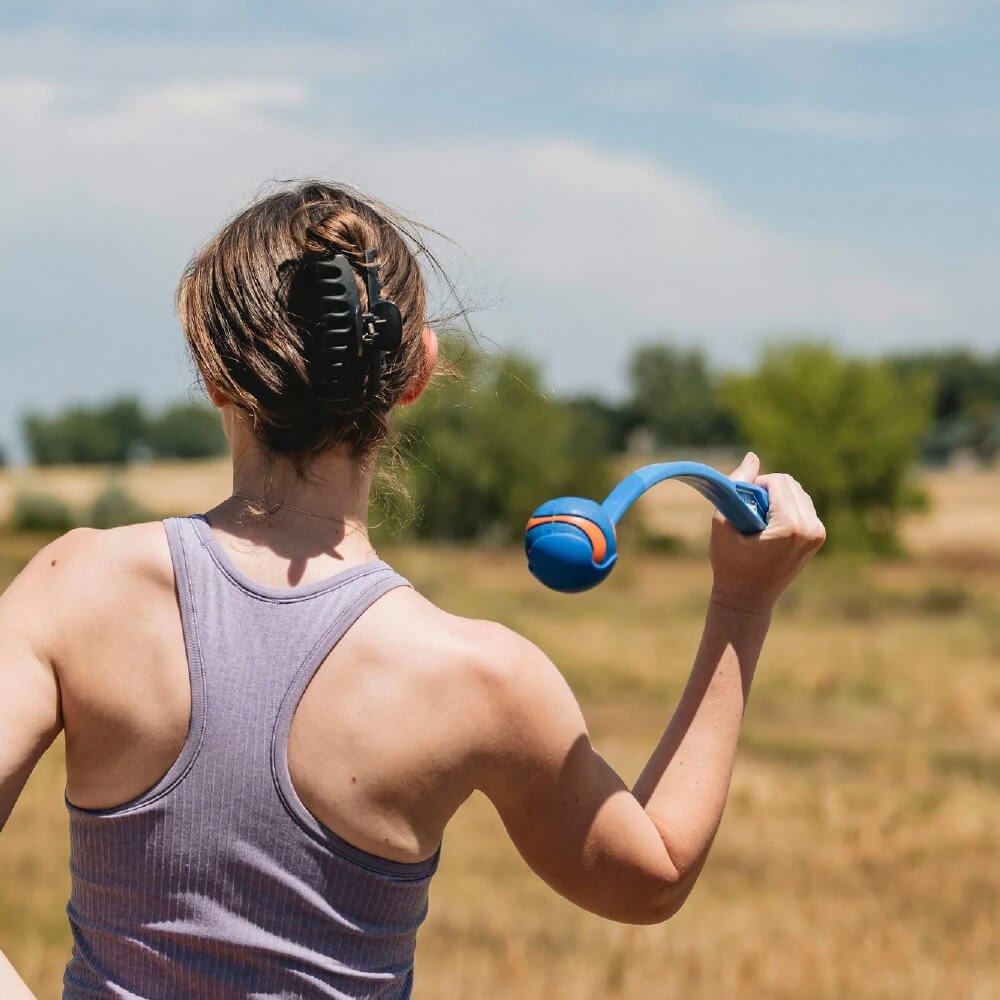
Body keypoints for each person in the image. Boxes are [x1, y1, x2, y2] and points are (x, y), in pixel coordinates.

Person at [0, 180, 826, 1000]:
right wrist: (741, 606)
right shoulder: (481, 677)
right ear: (417, 369)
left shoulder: (77, 587)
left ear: (215, 372)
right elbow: (651, 878)